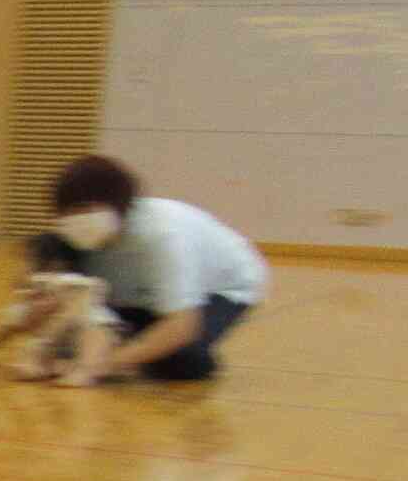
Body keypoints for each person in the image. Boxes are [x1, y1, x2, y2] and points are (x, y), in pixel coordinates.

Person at [50, 154, 267, 381]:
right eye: (68, 212)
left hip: (222, 287)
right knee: (72, 341)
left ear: (117, 203)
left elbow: (181, 325)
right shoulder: (75, 243)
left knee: (182, 359)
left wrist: (103, 365)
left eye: (86, 208)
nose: (77, 220)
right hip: (141, 295)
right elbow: (90, 308)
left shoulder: (160, 236)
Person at [0, 231, 123, 385]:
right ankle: (62, 366)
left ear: (55, 263)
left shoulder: (67, 282)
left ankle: (86, 370)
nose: (21, 266)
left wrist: (61, 306)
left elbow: (93, 291)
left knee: (96, 323)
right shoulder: (30, 297)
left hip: (95, 338)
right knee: (23, 316)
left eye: (27, 259)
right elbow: (8, 328)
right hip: (66, 348)